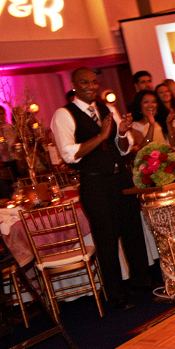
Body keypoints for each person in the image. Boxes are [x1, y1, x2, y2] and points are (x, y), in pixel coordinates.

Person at [50, 67, 153, 311]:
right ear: (74, 85)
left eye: (94, 82)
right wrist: (101, 136)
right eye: (84, 82)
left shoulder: (108, 109)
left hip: (121, 179)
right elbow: (69, 154)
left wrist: (119, 132)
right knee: (107, 240)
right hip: (95, 183)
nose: (91, 86)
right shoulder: (63, 115)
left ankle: (142, 283)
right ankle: (116, 295)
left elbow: (125, 147)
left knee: (132, 233)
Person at [0, 105, 19, 180]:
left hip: (16, 160)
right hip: (2, 163)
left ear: (5, 114)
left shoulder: (12, 128)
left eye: (1, 113)